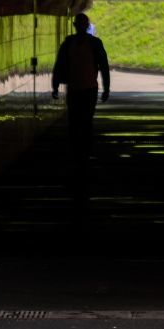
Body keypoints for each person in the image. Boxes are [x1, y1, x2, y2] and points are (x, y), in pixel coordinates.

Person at [50, 13, 111, 197]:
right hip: (80, 89)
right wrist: (55, 85)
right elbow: (59, 64)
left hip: (86, 89)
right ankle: (81, 151)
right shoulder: (73, 43)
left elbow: (103, 66)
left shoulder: (90, 43)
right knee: (79, 121)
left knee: (81, 121)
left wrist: (106, 88)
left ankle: (80, 151)